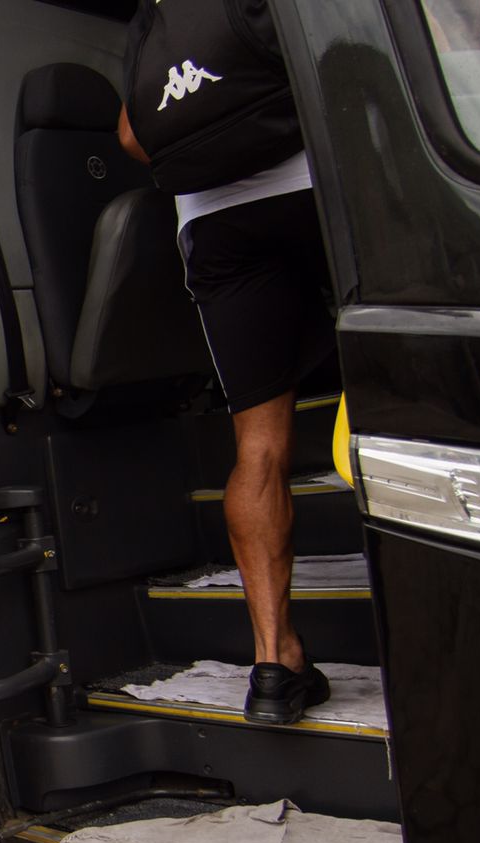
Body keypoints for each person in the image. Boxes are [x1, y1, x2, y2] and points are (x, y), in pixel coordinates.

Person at [118, 0, 335, 724]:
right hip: (317, 186)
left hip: (216, 226)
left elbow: (133, 134)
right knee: (393, 392)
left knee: (260, 445)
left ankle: (274, 663)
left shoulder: (156, 18)